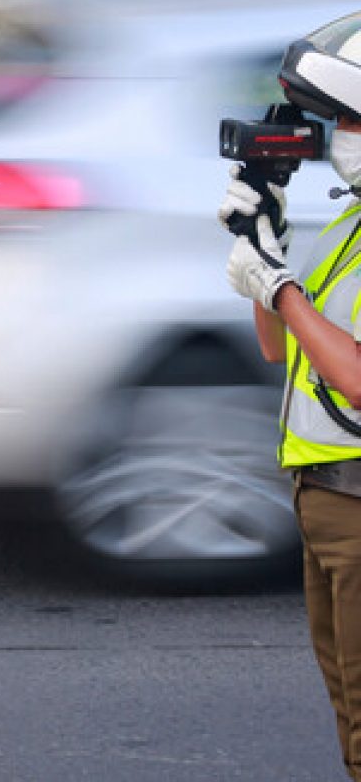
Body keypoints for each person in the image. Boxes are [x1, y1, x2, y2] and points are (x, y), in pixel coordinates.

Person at [221, 112, 361, 782]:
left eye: (354, 118)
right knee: (348, 716)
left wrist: (281, 286)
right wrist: (264, 246)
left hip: (357, 511)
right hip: (321, 500)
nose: (340, 133)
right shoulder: (349, 227)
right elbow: (278, 345)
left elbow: (357, 381)